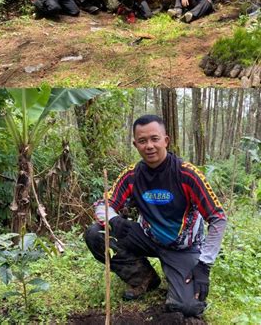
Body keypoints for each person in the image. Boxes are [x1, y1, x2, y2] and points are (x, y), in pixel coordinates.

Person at [85, 115, 226, 319]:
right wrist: (113, 219)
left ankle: (178, 281)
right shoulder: (132, 175)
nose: (149, 146)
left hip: (182, 247)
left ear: (166, 140)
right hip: (146, 237)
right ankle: (144, 278)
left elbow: (218, 218)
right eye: (142, 141)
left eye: (155, 139)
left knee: (187, 307)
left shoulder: (187, 174)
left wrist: (204, 264)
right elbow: (103, 204)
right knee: (95, 234)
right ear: (135, 144)